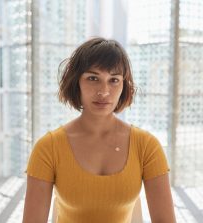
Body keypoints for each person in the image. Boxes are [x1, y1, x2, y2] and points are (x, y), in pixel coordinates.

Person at [22, 37, 176, 223]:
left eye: (114, 80)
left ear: (123, 86)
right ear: (76, 82)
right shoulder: (48, 147)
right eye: (93, 78)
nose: (104, 91)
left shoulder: (146, 146)